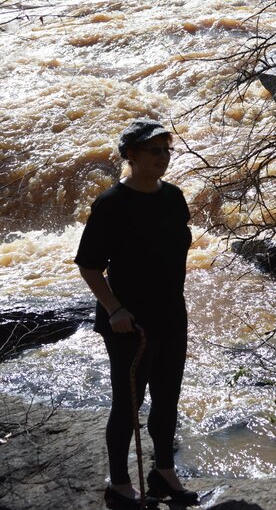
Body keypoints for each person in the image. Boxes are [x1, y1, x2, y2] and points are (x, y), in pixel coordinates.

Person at [75, 118, 198, 509]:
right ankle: (120, 483)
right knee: (127, 404)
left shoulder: (174, 197)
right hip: (129, 322)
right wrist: (115, 310)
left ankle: (163, 472)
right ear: (130, 156)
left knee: (167, 398)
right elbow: (89, 265)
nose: (163, 158)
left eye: (166, 150)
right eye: (154, 151)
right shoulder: (111, 204)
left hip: (171, 314)